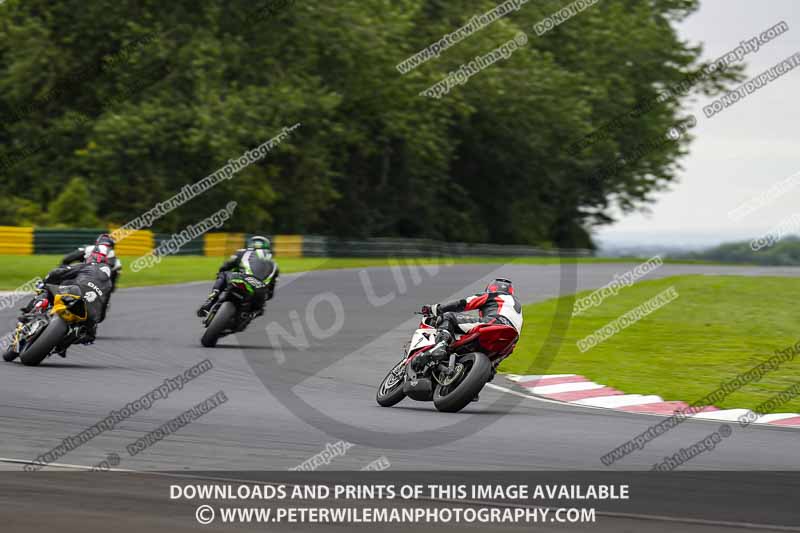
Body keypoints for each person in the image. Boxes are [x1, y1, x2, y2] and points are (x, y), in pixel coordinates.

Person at [414, 278, 523, 371]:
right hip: (510, 340)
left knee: (449, 317)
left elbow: (464, 303)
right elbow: (513, 344)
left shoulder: (493, 295)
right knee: (490, 369)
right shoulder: (518, 307)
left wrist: (436, 308)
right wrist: (492, 368)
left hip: (493, 323)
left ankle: (440, 346)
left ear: (491, 288)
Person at [39, 245, 114, 354]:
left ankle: (36, 309)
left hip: (73, 295)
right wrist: (92, 329)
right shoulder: (108, 284)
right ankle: (61, 346)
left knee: (46, 290)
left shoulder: (88, 266)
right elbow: (103, 307)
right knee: (84, 334)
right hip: (90, 314)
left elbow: (58, 273)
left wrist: (45, 281)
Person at [196, 235, 279, 317]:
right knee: (259, 310)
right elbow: (271, 291)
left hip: (241, 278)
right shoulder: (274, 264)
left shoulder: (243, 252)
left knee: (223, 274)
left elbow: (226, 266)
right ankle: (249, 315)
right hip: (260, 288)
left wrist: (221, 272)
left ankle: (210, 302)